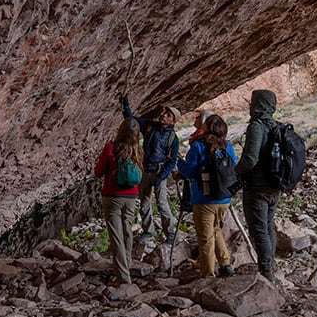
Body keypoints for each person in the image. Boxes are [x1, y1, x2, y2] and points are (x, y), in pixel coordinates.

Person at [179, 113, 237, 277]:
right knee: (215, 229)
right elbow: (235, 167)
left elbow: (189, 171)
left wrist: (179, 164)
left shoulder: (198, 146)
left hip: (204, 199)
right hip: (224, 198)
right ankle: (225, 263)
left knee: (205, 238)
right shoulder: (228, 146)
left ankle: (207, 274)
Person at [235, 89, 283, 283]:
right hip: (274, 186)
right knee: (268, 227)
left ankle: (266, 272)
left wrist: (235, 172)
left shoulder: (257, 126)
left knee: (259, 230)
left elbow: (250, 158)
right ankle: (269, 266)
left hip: (257, 187)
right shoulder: (277, 126)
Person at [119, 96, 180, 245]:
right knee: (145, 202)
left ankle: (170, 234)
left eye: (168, 115)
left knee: (162, 203)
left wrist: (162, 176)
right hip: (145, 170)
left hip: (159, 171)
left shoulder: (173, 138)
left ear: (172, 121)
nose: (163, 115)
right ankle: (148, 230)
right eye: (164, 112)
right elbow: (132, 120)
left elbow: (172, 161)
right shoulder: (150, 126)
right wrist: (126, 106)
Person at [93, 118, 144, 283]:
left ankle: (123, 277)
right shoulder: (138, 150)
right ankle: (127, 262)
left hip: (112, 196)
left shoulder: (110, 149)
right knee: (126, 228)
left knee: (116, 236)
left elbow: (98, 172)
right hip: (131, 196)